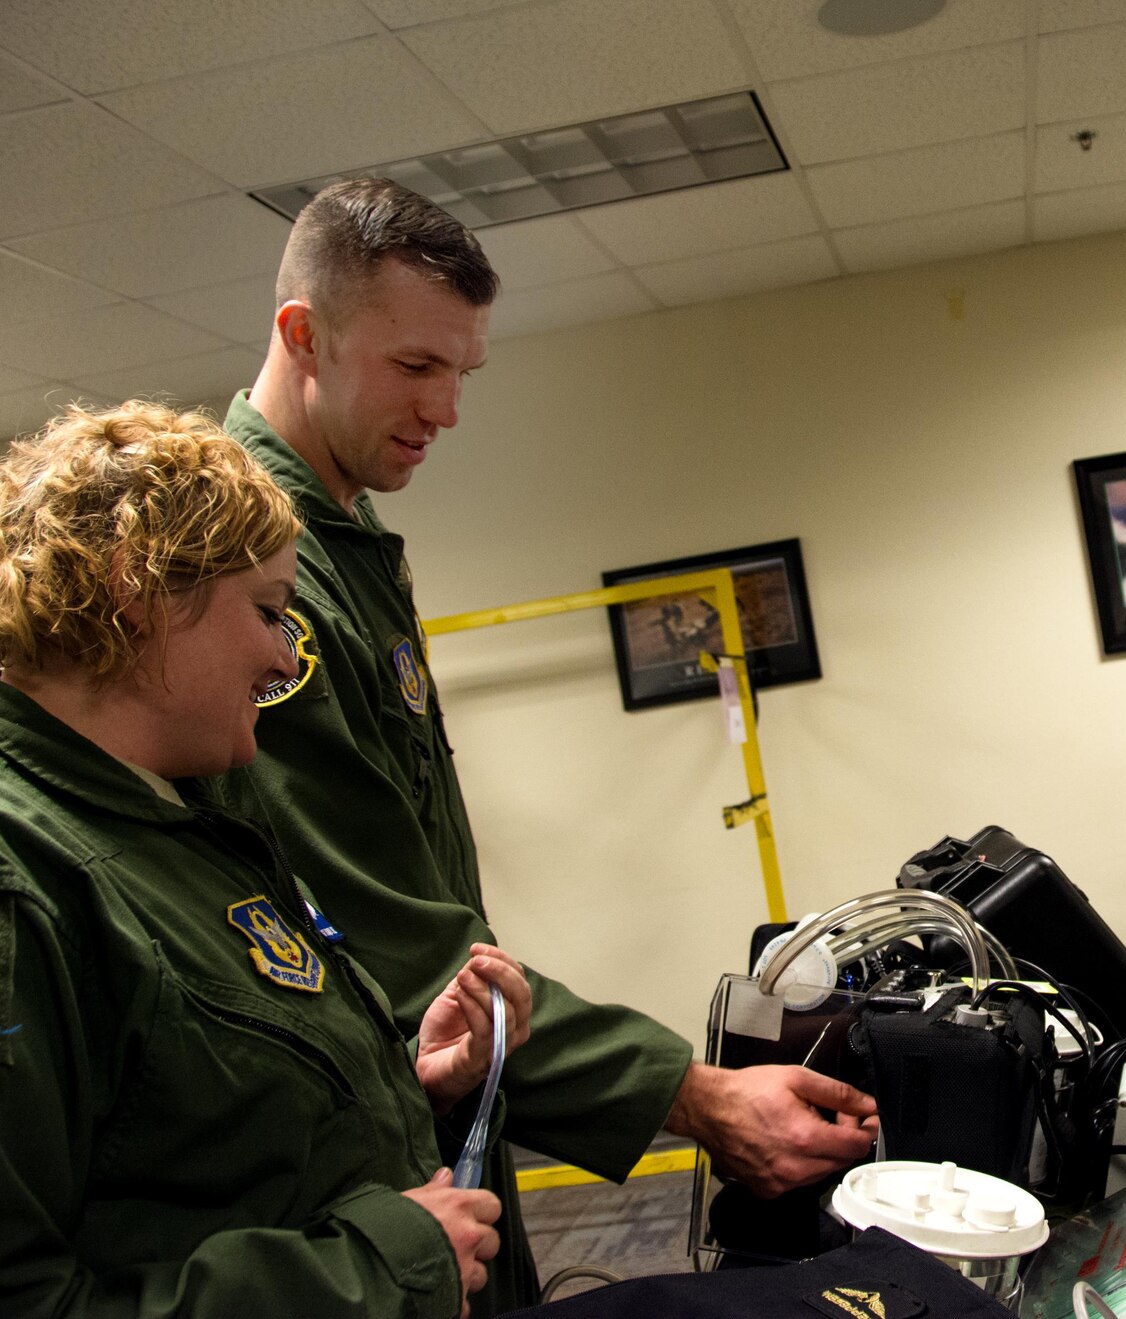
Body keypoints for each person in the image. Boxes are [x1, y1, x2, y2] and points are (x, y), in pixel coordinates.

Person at [213, 178, 876, 1307]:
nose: (447, 410)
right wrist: (694, 1094)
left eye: (461, 374)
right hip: (349, 1171)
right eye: (416, 367)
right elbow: (396, 939)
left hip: (439, 1101)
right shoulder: (263, 571)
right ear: (302, 335)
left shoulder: (347, 536)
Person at [0, 402, 535, 1318]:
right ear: (143, 589)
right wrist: (378, 1271)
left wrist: (404, 1080)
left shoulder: (176, 810)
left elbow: (178, 1142)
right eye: (268, 611)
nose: (284, 653)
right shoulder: (27, 883)